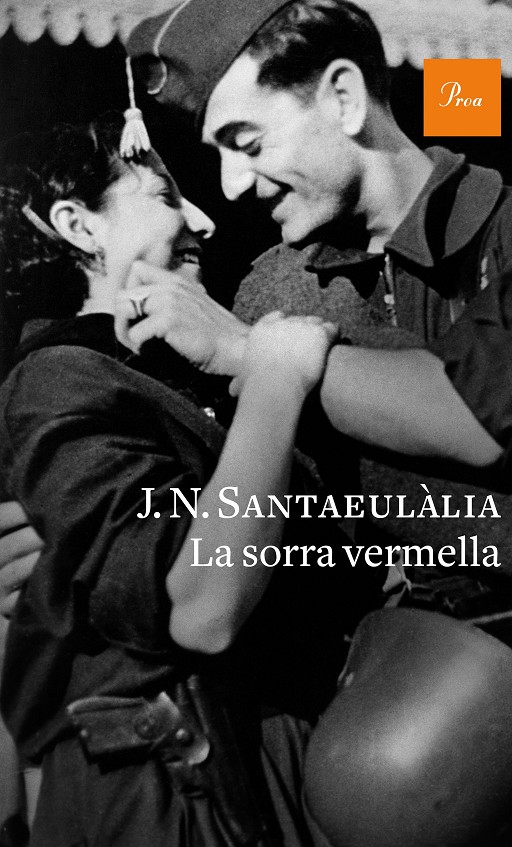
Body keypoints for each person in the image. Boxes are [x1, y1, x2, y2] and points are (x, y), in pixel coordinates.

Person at [0, 112, 379, 846]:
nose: (202, 221)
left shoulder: (164, 378)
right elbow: (203, 604)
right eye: (164, 196)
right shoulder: (61, 380)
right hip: (185, 794)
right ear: (77, 225)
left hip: (260, 768)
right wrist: (275, 376)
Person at [120, 0, 512, 588]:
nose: (230, 185)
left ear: (343, 98)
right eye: (216, 154)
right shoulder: (272, 292)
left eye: (247, 142)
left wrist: (247, 351)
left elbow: (491, 416)